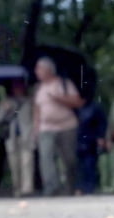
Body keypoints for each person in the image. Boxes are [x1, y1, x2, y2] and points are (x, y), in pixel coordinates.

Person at [32, 57, 83, 196]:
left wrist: (58, 98)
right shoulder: (38, 88)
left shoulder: (64, 84)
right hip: (45, 128)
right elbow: (37, 110)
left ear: (49, 70)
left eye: (39, 68)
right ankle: (52, 187)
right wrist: (35, 129)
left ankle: (70, 187)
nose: (36, 71)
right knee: (46, 157)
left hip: (67, 126)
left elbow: (77, 102)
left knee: (69, 159)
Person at [0, 80, 35, 196]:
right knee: (13, 163)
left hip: (26, 134)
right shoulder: (5, 102)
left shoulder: (29, 101)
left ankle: (27, 188)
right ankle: (17, 188)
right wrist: (5, 110)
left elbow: (34, 117)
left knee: (27, 161)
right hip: (11, 136)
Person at [75, 98, 107, 195]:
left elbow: (102, 123)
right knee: (80, 166)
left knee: (90, 165)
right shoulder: (75, 108)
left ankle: (90, 187)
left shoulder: (95, 108)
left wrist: (101, 137)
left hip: (91, 140)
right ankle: (81, 187)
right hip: (79, 140)